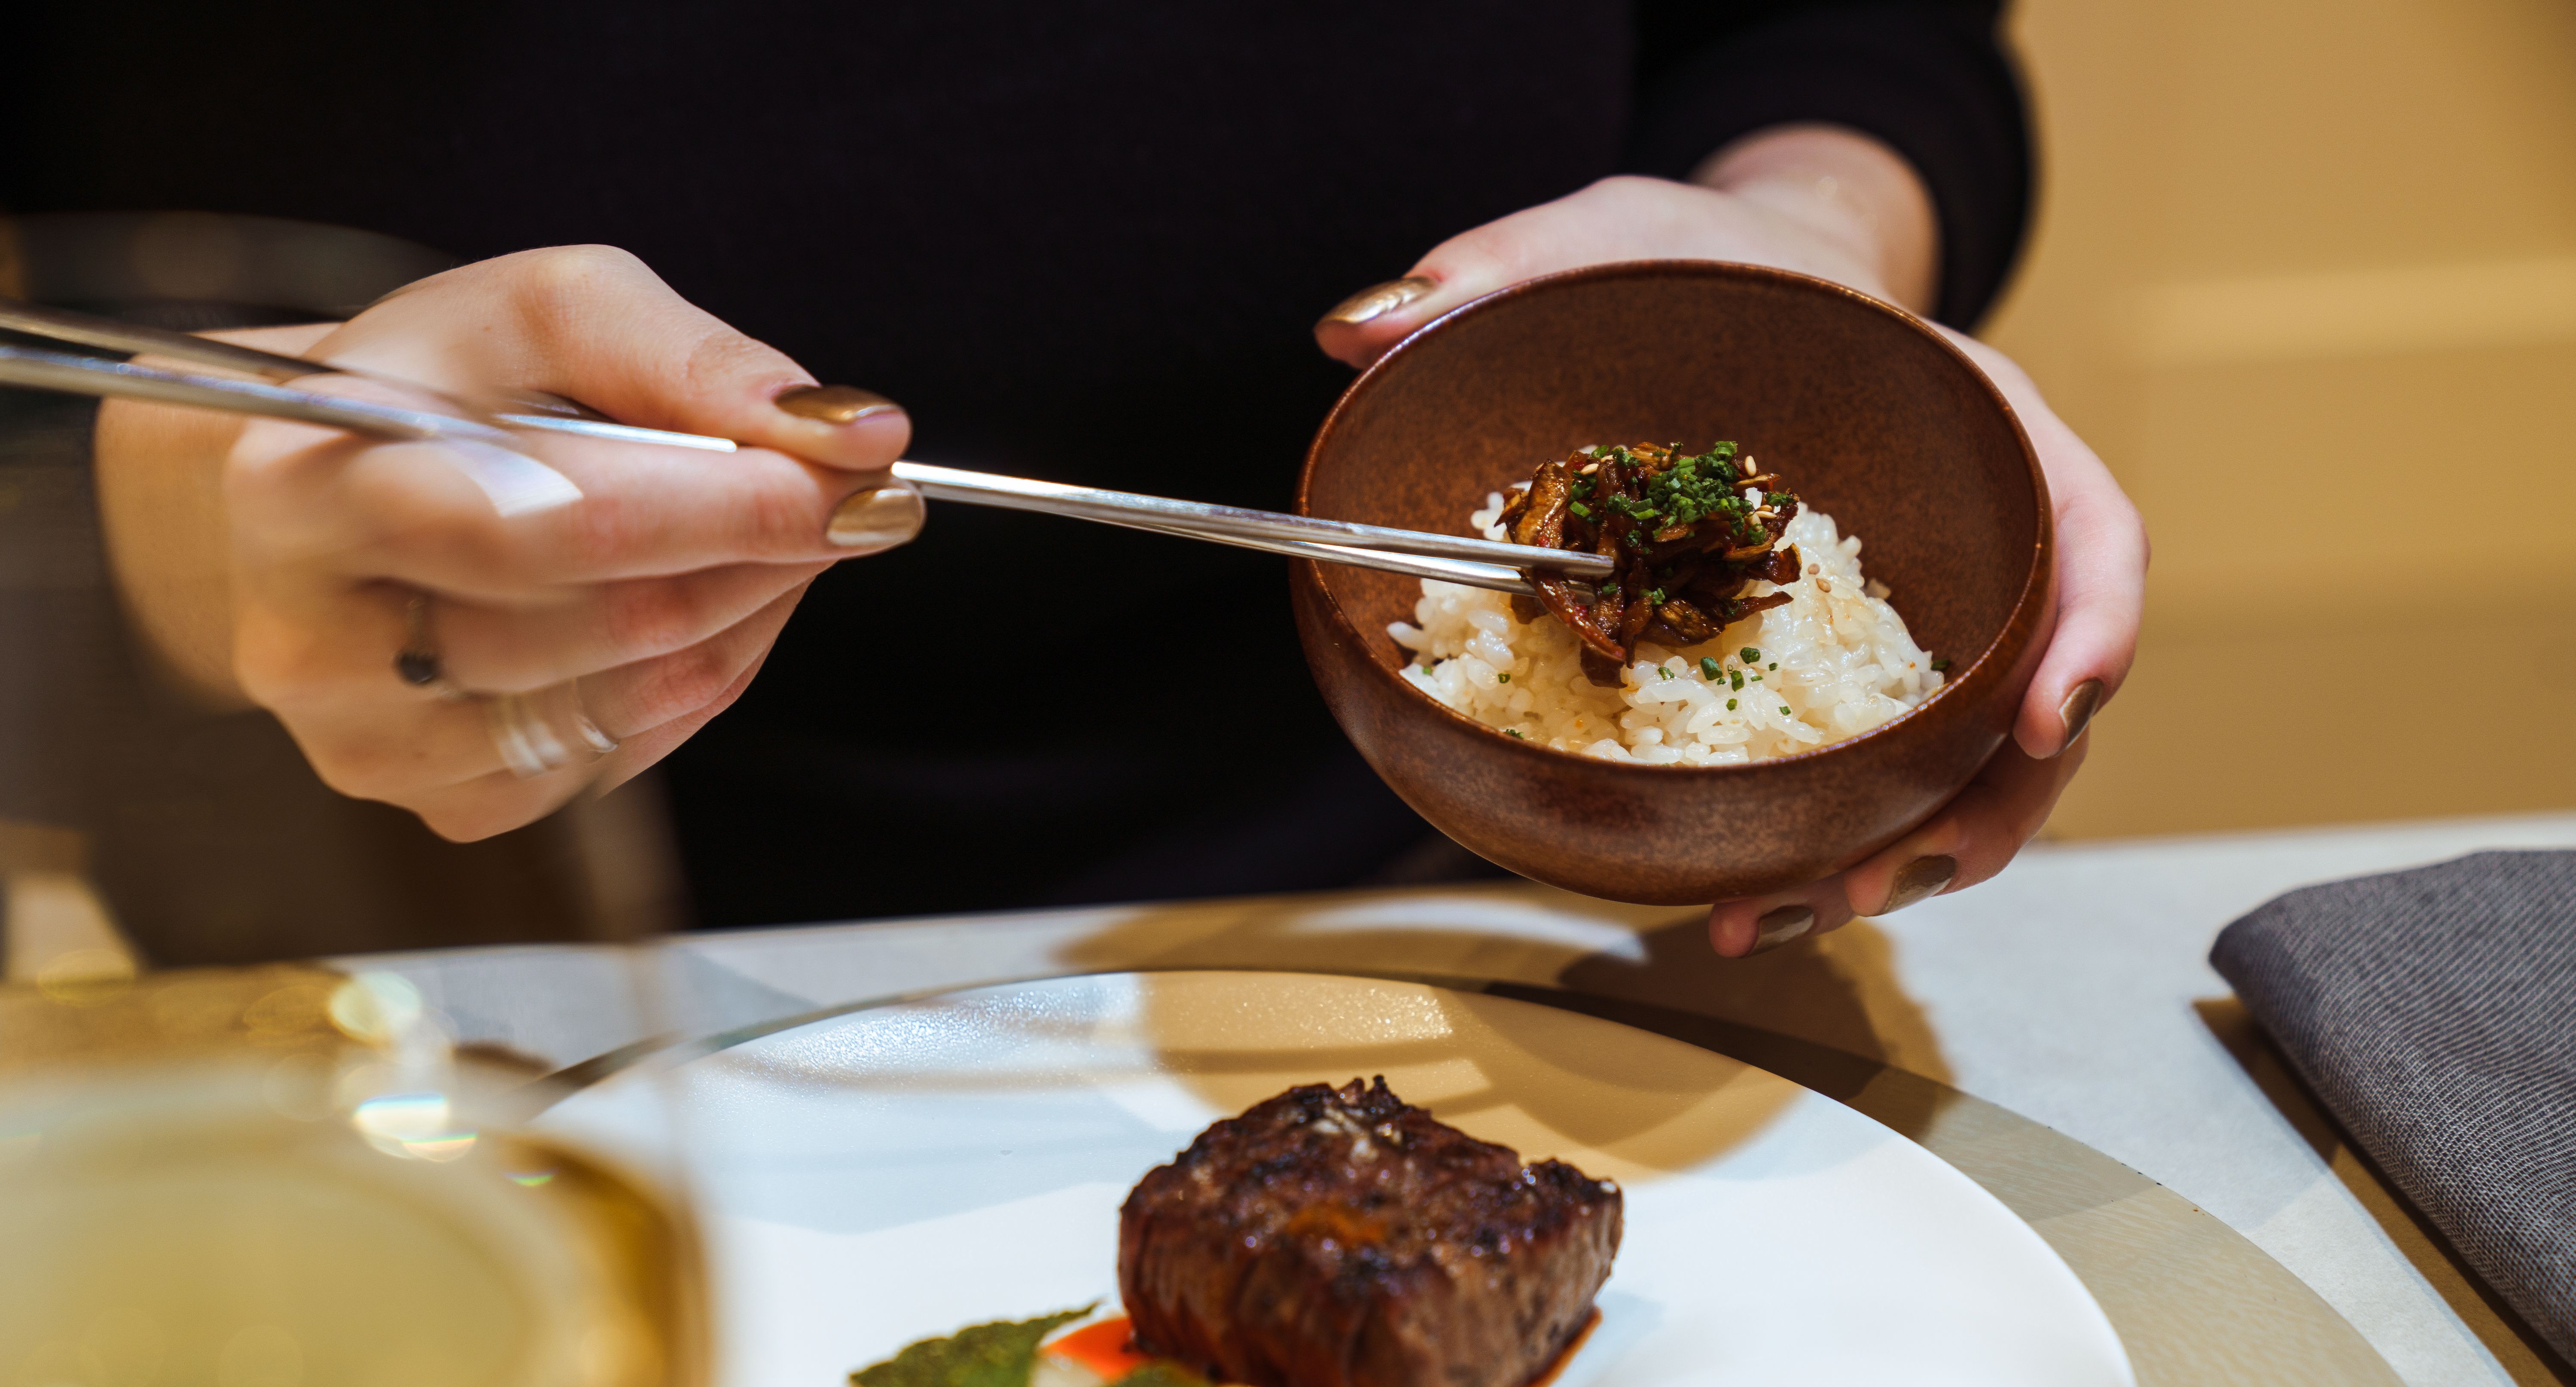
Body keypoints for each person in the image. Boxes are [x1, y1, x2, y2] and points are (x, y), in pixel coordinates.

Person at [1, 0, 2143, 959]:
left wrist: (1811, 246)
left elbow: (1842, 29)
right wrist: (189, 516)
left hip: (1514, 942)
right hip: (472, 989)